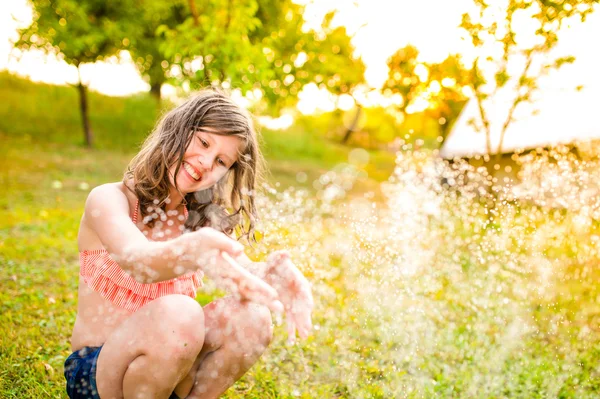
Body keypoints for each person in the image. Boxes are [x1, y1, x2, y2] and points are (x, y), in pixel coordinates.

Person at [63, 89, 314, 399]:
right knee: (181, 314)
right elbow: (139, 260)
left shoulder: (201, 221)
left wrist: (271, 275)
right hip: (99, 376)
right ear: (179, 129)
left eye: (221, 160)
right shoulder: (109, 200)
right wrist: (195, 249)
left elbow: (240, 272)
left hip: (165, 375)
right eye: (204, 142)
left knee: (253, 317)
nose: (206, 162)